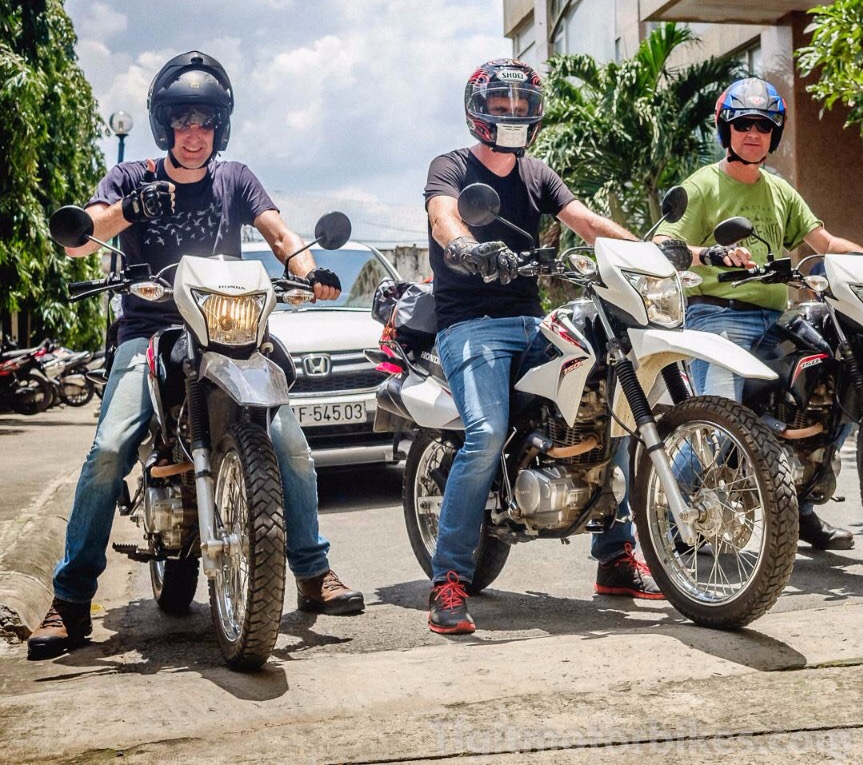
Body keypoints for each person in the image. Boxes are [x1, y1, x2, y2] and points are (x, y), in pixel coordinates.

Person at [28, 51, 364, 661]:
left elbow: (280, 234)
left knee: (288, 439)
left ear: (220, 128)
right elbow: (85, 240)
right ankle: (71, 600)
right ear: (164, 125)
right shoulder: (132, 177)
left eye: (204, 122)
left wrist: (310, 269)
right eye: (182, 121)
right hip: (151, 327)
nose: (193, 134)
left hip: (229, 329)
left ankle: (313, 572)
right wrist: (133, 208)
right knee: (108, 449)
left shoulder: (235, 179)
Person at [423, 58, 683, 635]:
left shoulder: (537, 173)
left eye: (521, 104)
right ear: (478, 109)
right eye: (502, 103)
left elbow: (585, 221)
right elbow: (445, 218)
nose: (512, 113)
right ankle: (448, 578)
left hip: (530, 321)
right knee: (486, 434)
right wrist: (467, 249)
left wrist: (651, 249)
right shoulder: (452, 166)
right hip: (471, 325)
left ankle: (615, 559)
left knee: (608, 408)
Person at [654, 77, 863, 552]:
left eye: (764, 126)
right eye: (743, 124)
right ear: (725, 129)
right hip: (716, 318)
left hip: (775, 321)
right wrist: (709, 254)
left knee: (836, 387)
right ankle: (674, 515)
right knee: (719, 424)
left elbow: (826, 243)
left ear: (775, 134)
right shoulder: (703, 186)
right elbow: (662, 246)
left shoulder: (780, 191)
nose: (753, 133)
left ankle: (803, 503)